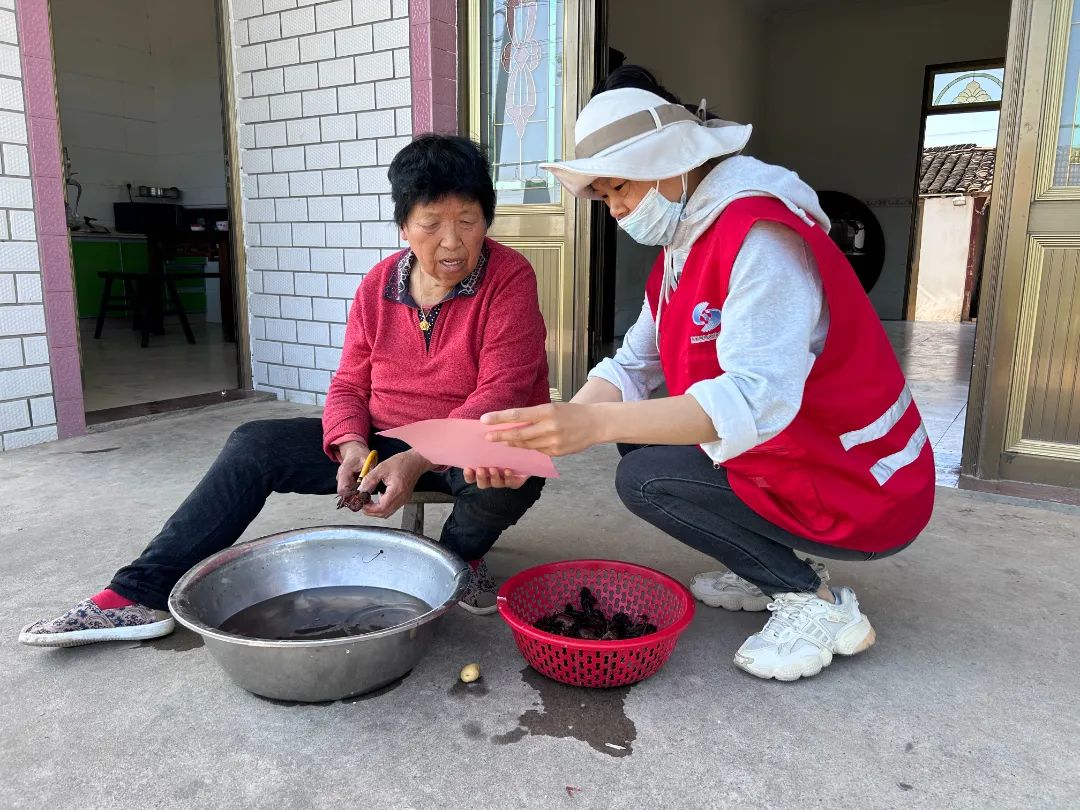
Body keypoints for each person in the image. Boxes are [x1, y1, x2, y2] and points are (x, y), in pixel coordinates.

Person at [477, 67, 936, 682]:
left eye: (620, 190)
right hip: (803, 461)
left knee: (645, 477)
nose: (615, 212)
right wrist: (553, 431)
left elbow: (755, 397)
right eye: (604, 199)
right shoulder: (683, 250)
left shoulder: (760, 238)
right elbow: (632, 365)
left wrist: (587, 424)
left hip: (863, 488)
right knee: (637, 434)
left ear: (671, 162)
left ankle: (814, 602)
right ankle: (768, 561)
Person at [20, 134, 550, 648]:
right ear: (404, 226)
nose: (453, 241)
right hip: (383, 436)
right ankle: (135, 594)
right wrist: (350, 445)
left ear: (487, 219)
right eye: (432, 224)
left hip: (467, 438)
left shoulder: (509, 277)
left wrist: (416, 460)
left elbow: (499, 392)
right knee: (254, 444)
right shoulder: (378, 284)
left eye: (468, 221)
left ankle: (458, 561)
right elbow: (348, 382)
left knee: (510, 470)